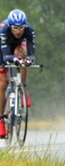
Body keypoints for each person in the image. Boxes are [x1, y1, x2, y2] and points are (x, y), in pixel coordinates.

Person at [0, 9, 37, 138]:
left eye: (21, 27)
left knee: (23, 56)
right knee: (3, 83)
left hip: (16, 46)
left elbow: (32, 53)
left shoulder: (29, 30)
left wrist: (28, 60)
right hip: (2, 50)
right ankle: (1, 120)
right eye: (15, 27)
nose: (19, 30)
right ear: (10, 26)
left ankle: (23, 88)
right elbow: (5, 57)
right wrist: (13, 59)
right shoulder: (3, 30)